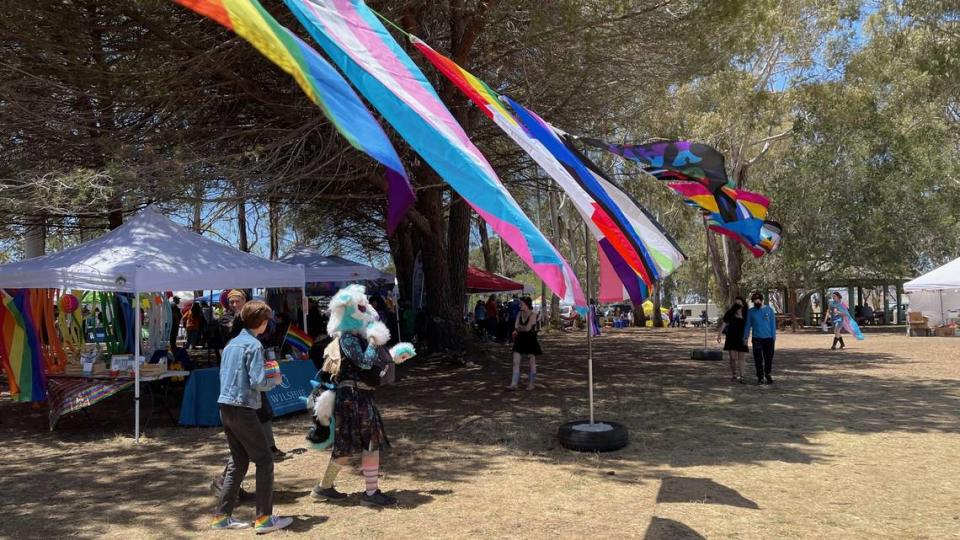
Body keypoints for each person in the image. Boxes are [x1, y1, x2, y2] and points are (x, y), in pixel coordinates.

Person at [311, 285, 415, 507]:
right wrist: (373, 341)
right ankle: (365, 493)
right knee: (356, 445)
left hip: (358, 395)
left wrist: (394, 357)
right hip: (352, 396)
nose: (369, 312)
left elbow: (373, 363)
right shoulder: (348, 337)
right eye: (362, 307)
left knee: (357, 445)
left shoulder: (355, 338)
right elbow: (365, 362)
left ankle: (328, 488)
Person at [211, 300, 292, 533]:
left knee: (238, 462)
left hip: (225, 407)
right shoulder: (254, 346)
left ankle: (221, 517)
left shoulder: (231, 344)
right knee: (265, 461)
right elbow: (258, 382)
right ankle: (264, 519)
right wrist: (274, 380)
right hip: (244, 408)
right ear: (263, 322)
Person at [507, 297, 542, 391]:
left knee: (531, 363)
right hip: (519, 340)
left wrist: (520, 328)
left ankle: (531, 384)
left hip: (530, 340)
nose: (519, 305)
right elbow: (516, 326)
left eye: (521, 303)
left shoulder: (533, 315)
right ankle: (514, 384)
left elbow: (527, 328)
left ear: (526, 304)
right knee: (515, 362)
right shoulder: (519, 314)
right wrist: (521, 328)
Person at [743, 292, 777, 385]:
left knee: (768, 358)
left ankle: (767, 373)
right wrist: (745, 338)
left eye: (758, 301)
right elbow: (747, 325)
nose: (756, 302)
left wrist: (774, 337)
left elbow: (773, 325)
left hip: (769, 338)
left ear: (762, 300)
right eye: (754, 301)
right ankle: (760, 376)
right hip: (756, 338)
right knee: (758, 358)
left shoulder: (769, 310)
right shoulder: (751, 312)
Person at [717, 297, 748, 383]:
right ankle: (734, 374)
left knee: (741, 358)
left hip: (742, 338)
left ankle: (742, 376)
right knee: (732, 358)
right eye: (736, 303)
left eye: (739, 303)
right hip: (731, 338)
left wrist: (746, 337)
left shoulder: (746, 313)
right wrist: (719, 334)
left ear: (743, 303)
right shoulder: (730, 313)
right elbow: (724, 323)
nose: (737, 305)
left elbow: (749, 326)